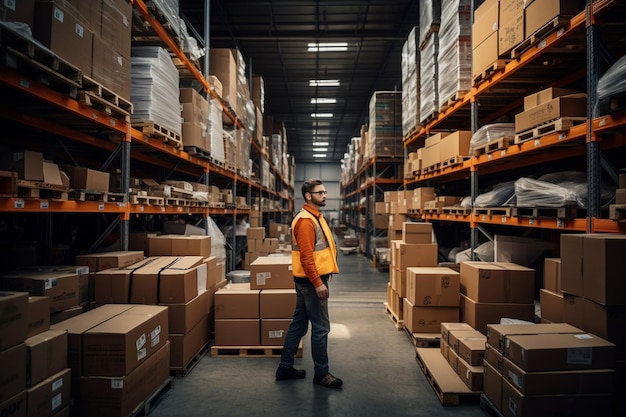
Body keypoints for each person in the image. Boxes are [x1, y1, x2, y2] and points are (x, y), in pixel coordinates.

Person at [275, 178, 342, 389]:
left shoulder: (315, 217)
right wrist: (318, 283)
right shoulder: (306, 221)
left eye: (324, 192)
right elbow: (306, 257)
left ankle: (285, 368)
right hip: (312, 282)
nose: (324, 195)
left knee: (299, 324)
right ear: (308, 196)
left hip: (307, 281)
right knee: (321, 328)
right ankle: (321, 373)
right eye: (320, 192)